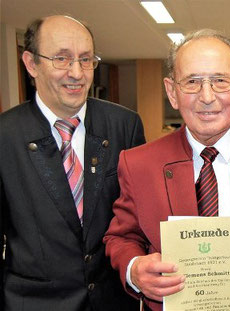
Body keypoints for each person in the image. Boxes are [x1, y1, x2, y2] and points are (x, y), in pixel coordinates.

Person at [103, 29, 230, 311]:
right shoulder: (138, 164)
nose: (207, 96)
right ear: (172, 92)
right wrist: (134, 268)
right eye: (192, 82)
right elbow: (121, 237)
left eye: (220, 81)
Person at [0, 15, 145, 310]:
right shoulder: (5, 136)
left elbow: (137, 220)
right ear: (31, 64)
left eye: (86, 59)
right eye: (62, 59)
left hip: (113, 302)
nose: (77, 73)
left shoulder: (124, 126)